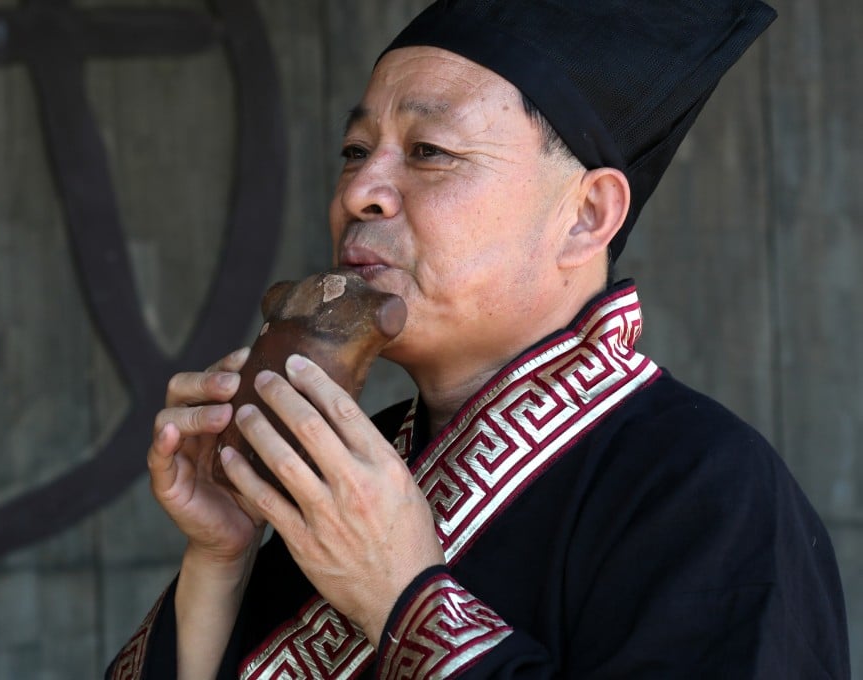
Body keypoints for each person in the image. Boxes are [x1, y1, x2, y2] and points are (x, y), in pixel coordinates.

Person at [107, 1, 851, 678]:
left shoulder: (709, 490)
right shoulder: (350, 468)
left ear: (587, 215)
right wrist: (223, 559)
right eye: (355, 150)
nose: (359, 190)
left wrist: (404, 600)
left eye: (429, 150)